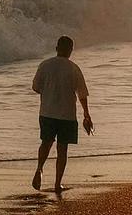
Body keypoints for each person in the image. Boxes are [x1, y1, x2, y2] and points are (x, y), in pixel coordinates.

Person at [30, 35, 93, 192]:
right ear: (71, 50)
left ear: (57, 48)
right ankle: (57, 183)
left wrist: (50, 90)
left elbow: (36, 87)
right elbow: (82, 94)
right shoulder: (74, 68)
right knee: (62, 149)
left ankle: (39, 169)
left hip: (47, 112)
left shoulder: (45, 65)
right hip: (67, 114)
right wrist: (86, 114)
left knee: (46, 142)